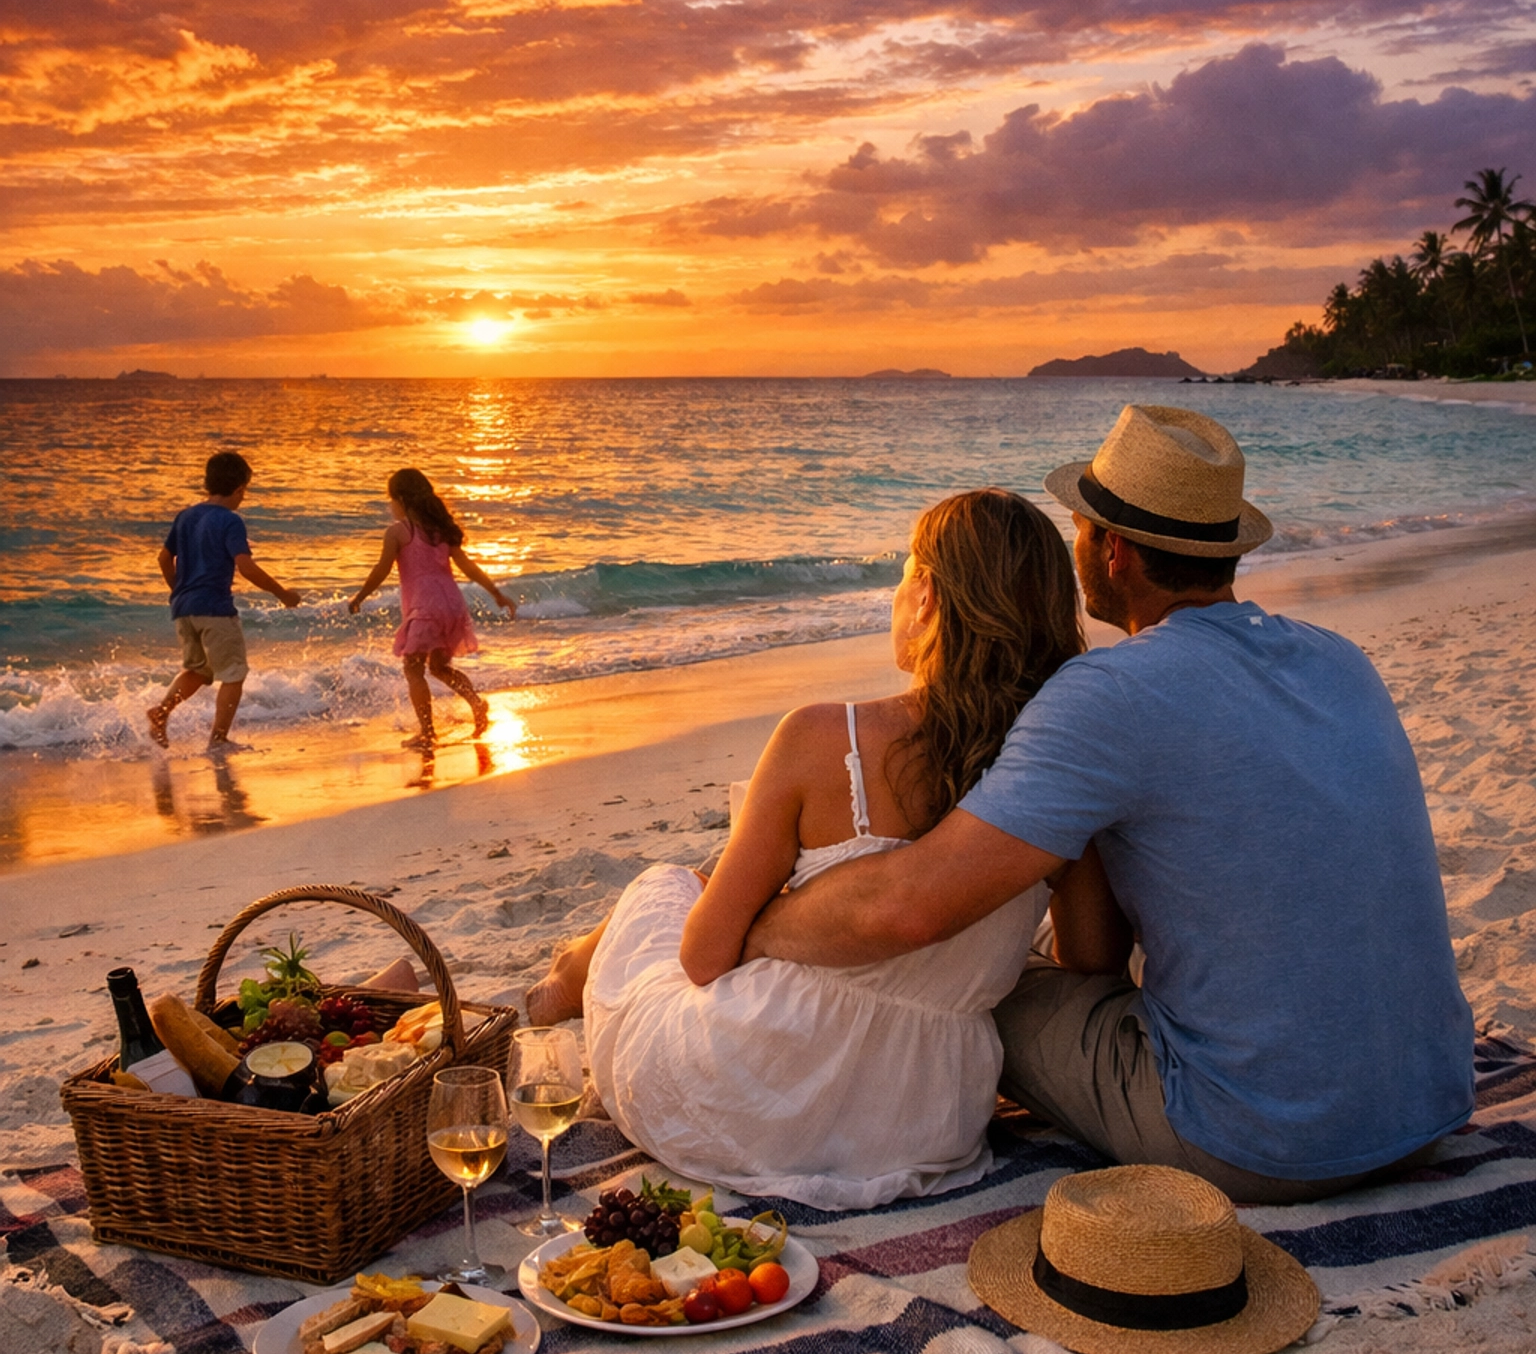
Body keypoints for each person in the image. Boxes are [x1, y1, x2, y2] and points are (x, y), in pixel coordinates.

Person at [741, 404, 1476, 1206]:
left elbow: (911, 909)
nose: (1074, 546)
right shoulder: (1340, 658)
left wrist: (763, 926)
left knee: (981, 986)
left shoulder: (1110, 692)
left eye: (1080, 528)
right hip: (1426, 1107)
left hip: (1262, 1142)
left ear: (1114, 550)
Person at [528, 490, 1083, 1208]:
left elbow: (703, 956)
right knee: (696, 882)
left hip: (752, 1097)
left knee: (664, 886)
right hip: (926, 1117)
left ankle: (569, 976)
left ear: (928, 600)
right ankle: (573, 969)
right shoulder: (1071, 769)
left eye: (906, 572)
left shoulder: (824, 736)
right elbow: (1090, 954)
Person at [147, 450, 303, 748]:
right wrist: (282, 594)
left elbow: (164, 558)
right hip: (214, 608)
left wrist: (178, 590)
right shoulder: (230, 520)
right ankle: (218, 739)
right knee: (233, 675)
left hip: (183, 609)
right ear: (240, 489)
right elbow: (245, 566)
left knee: (198, 670)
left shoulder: (186, 516)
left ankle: (161, 712)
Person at [348, 467, 516, 745]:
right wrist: (496, 593)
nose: (390, 506)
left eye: (390, 500)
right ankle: (476, 703)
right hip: (451, 604)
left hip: (425, 607)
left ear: (401, 500)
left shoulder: (398, 532)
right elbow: (467, 566)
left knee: (413, 669)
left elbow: (381, 570)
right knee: (438, 667)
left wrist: (360, 597)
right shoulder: (441, 531)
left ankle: (427, 733)